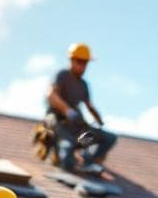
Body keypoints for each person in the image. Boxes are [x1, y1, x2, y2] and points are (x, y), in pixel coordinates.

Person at [45, 43, 117, 173]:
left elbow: (90, 106)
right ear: (71, 60)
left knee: (108, 137)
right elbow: (51, 95)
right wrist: (68, 111)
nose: (82, 66)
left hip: (77, 129)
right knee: (67, 158)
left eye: (85, 63)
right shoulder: (62, 75)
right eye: (79, 62)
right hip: (59, 123)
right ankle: (66, 153)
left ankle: (87, 160)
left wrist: (99, 120)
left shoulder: (83, 85)